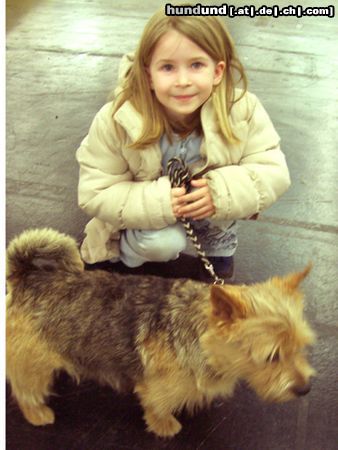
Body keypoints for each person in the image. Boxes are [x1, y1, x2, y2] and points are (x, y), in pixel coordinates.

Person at [76, 8, 291, 281]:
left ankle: (216, 247)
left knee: (214, 278)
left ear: (217, 71)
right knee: (162, 245)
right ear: (149, 74)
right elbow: (96, 191)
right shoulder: (117, 119)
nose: (183, 81)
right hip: (147, 220)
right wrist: (160, 203)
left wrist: (222, 191)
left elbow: (272, 170)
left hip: (214, 223)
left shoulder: (243, 110)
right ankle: (127, 254)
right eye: (167, 67)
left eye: (196, 65)